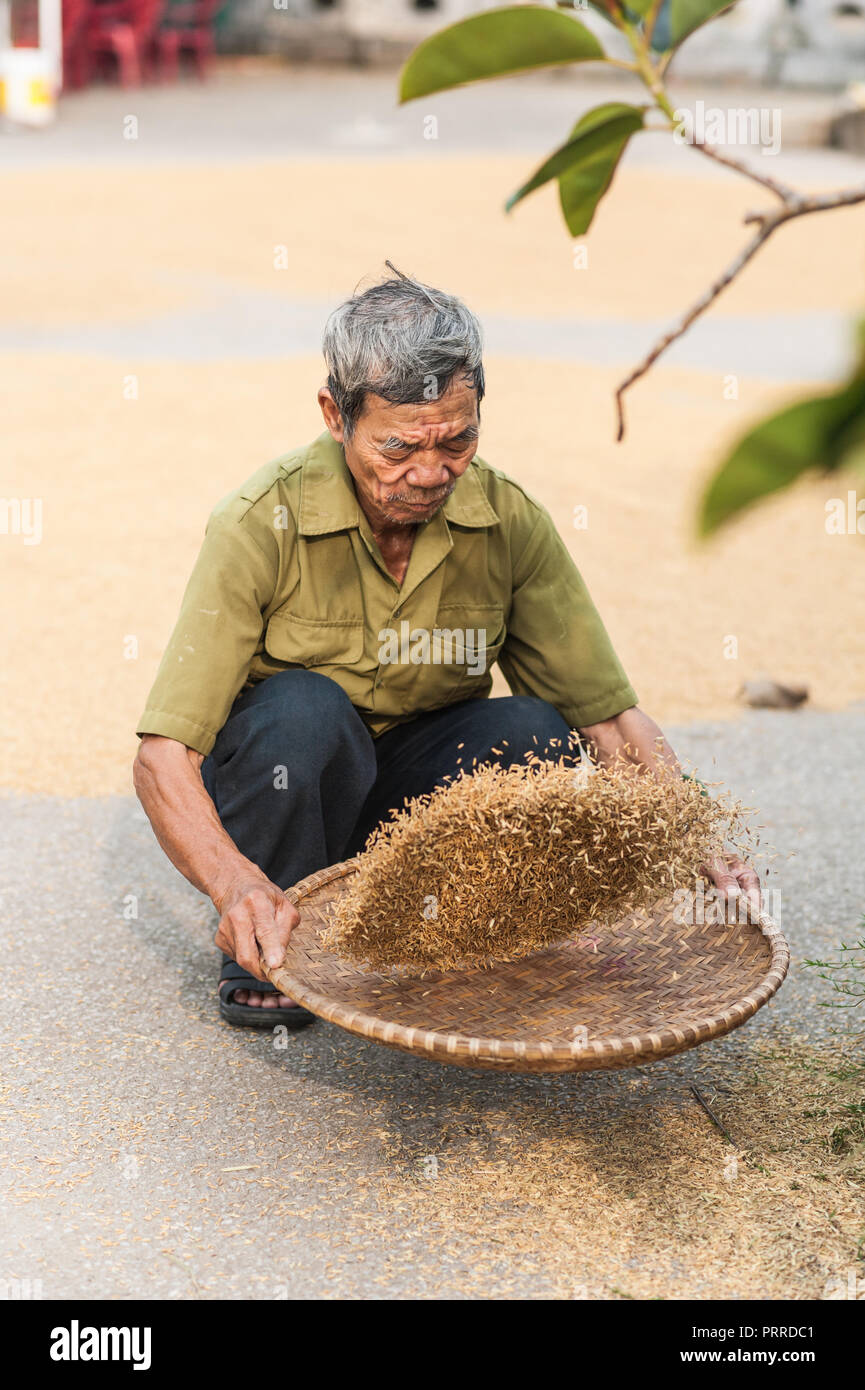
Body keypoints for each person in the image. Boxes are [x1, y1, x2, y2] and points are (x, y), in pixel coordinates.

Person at [133, 266, 759, 1029]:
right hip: (293, 793)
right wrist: (234, 886)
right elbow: (163, 758)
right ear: (336, 416)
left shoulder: (506, 519)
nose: (430, 473)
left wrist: (688, 841)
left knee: (534, 732)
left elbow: (607, 720)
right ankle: (272, 935)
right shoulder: (257, 521)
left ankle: (437, 927)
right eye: (398, 448)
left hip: (412, 817)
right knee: (303, 712)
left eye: (456, 440)